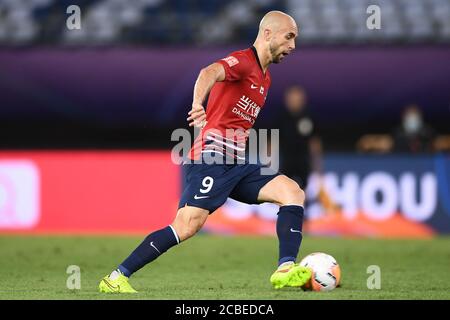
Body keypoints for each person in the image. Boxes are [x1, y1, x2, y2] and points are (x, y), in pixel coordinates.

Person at [99, 11, 311, 293]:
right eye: (289, 37)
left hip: (237, 162)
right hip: (211, 158)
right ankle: (116, 277)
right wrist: (198, 103)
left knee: (292, 192)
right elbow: (208, 72)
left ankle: (285, 268)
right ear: (268, 34)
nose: (293, 46)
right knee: (186, 226)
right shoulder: (244, 61)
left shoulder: (266, 79)